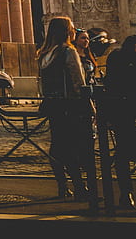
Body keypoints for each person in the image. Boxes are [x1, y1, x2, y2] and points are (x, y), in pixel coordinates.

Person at [37, 15, 91, 200]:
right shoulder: (68, 51)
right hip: (70, 105)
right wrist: (89, 104)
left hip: (53, 105)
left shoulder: (44, 54)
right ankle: (80, 187)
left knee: (57, 146)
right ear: (67, 31)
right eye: (72, 27)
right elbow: (78, 82)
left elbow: (42, 85)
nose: (74, 30)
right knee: (73, 147)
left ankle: (62, 186)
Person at [102, 34, 136, 208]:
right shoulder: (119, 57)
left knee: (123, 153)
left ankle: (126, 193)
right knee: (124, 153)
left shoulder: (116, 56)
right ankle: (126, 193)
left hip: (120, 112)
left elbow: (109, 82)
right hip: (124, 111)